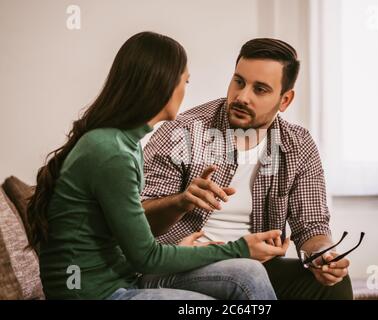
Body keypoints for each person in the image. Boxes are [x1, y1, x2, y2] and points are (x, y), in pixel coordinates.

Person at [25, 32, 289, 300]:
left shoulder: (127, 145)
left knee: (249, 274)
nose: (187, 90)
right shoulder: (110, 151)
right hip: (93, 294)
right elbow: (147, 258)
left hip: (125, 276)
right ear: (163, 85)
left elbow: (130, 245)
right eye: (185, 81)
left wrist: (186, 249)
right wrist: (239, 248)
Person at [141, 38, 353, 300]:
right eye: (239, 82)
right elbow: (139, 219)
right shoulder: (183, 130)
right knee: (247, 275)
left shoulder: (298, 144)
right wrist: (181, 202)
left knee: (330, 285)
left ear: (284, 100)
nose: (242, 97)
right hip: (178, 265)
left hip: (256, 265)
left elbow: (311, 226)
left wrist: (323, 256)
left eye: (260, 89)